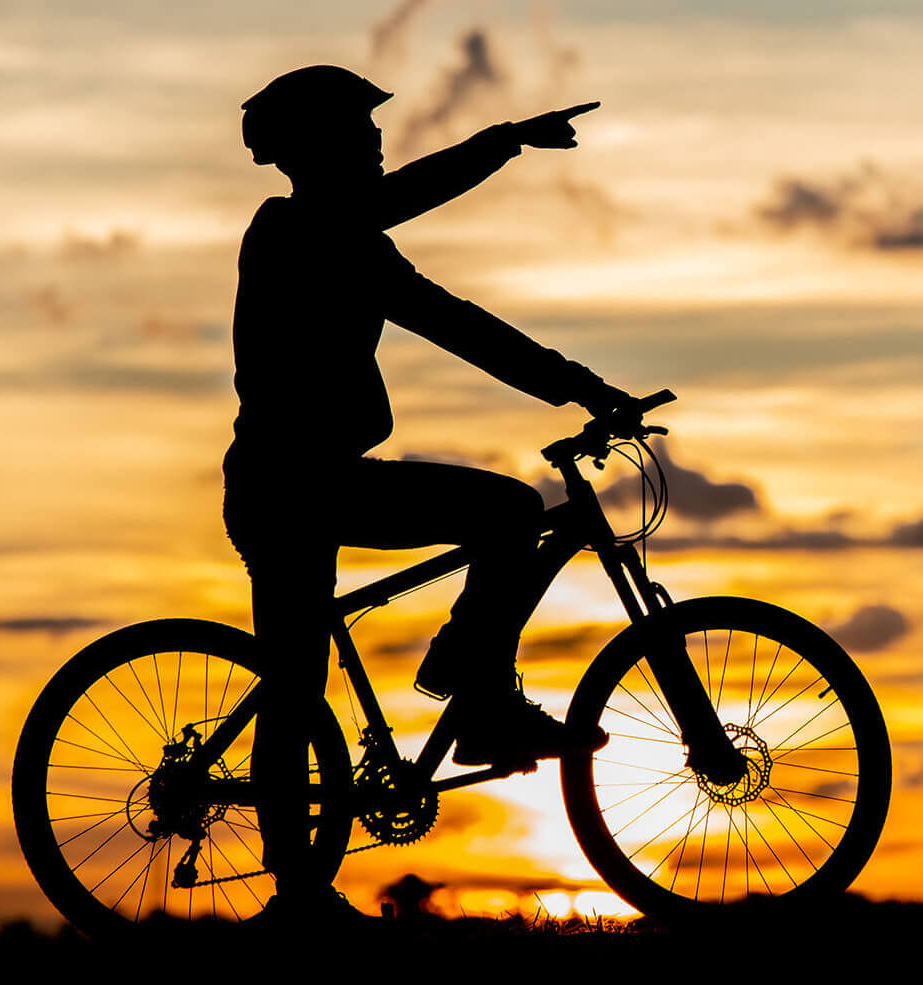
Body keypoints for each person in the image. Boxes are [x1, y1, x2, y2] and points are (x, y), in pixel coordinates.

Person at [223, 64, 617, 918]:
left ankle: (471, 684)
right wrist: (503, 143)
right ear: (319, 147)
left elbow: (458, 320)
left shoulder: (350, 237)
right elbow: (417, 232)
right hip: (290, 486)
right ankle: (469, 699)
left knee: (302, 675)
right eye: (358, 128)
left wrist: (578, 383)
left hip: (311, 480)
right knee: (297, 683)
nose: (376, 139)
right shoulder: (298, 229)